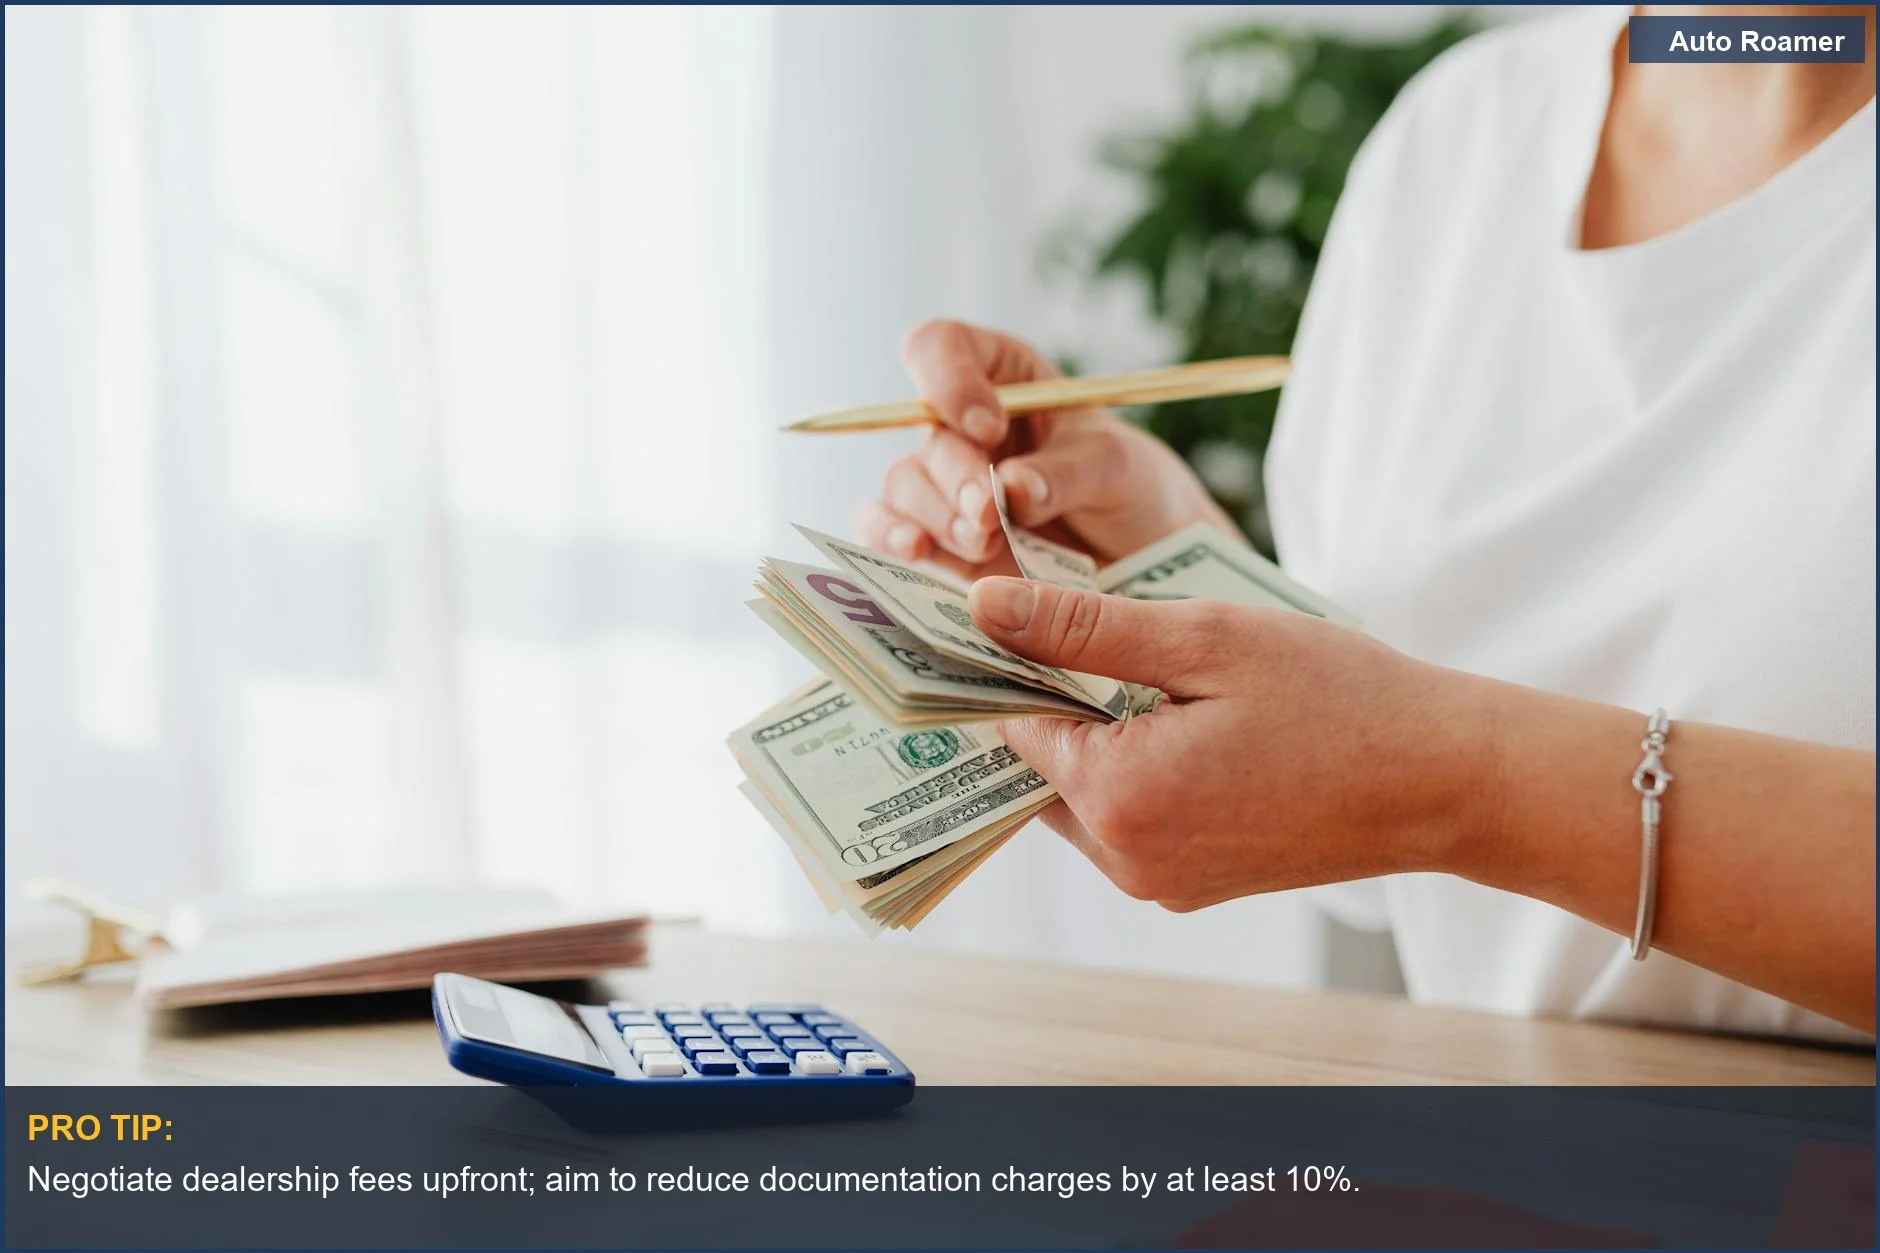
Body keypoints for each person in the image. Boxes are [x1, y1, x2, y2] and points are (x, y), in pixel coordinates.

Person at [855, 6, 1876, 1036]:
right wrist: (1167, 565)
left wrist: (1446, 776)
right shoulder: (1456, 137)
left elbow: (1422, 768)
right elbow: (1389, 876)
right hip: (1514, 1160)